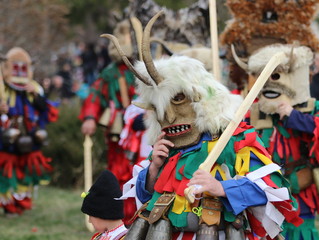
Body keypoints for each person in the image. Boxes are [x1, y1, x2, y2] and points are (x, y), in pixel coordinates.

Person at [108, 11, 302, 239]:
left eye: (178, 100)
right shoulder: (167, 146)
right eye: (159, 109)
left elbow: (275, 189)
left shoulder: (234, 140)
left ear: (201, 99)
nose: (169, 118)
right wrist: (152, 172)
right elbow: (145, 194)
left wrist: (222, 188)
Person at [233, 43, 319, 239]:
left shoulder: (311, 108)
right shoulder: (252, 111)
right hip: (264, 195)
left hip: (300, 194)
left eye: (276, 76)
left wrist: (294, 117)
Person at [79, 18, 141, 225]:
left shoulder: (144, 69)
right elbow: (94, 96)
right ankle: (119, 217)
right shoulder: (109, 73)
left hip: (144, 133)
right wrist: (89, 117)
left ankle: (140, 216)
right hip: (118, 132)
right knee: (118, 173)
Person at [0, 47, 58, 216]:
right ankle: (7, 204)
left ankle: (22, 203)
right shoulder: (2, 89)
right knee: (6, 171)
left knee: (26, 171)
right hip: (6, 140)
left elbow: (45, 112)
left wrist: (36, 95)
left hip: (28, 137)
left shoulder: (35, 89)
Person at [81, 170, 127, 240]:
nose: (89, 221)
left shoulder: (127, 237)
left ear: (101, 214)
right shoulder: (99, 237)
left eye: (90, 216)